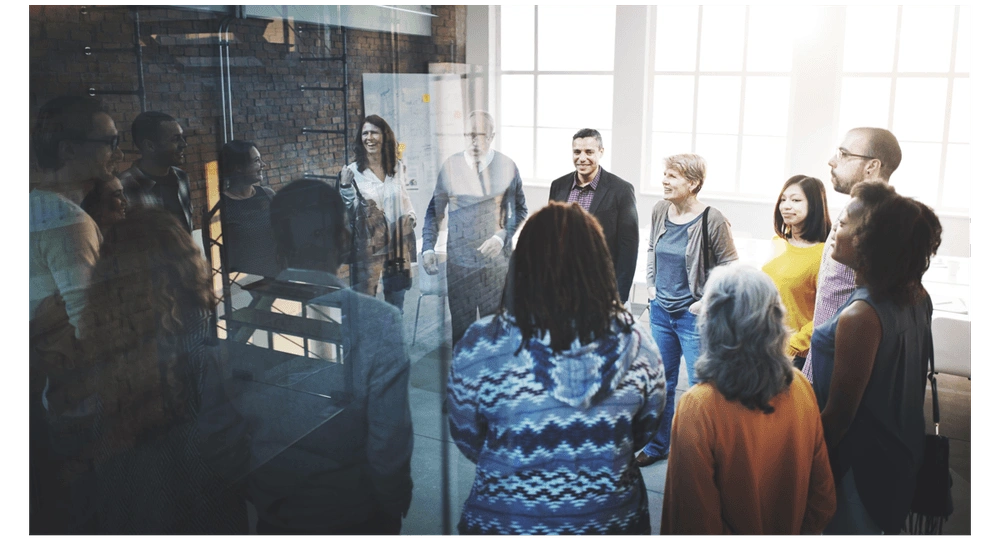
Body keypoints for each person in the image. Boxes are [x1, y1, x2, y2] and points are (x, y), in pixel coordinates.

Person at [447, 202, 666, 536]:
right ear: (599, 264)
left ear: (521, 264)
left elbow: (467, 436)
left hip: (507, 518)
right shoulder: (640, 346)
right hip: (609, 519)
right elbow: (644, 430)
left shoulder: (482, 345)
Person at [246, 179, 413, 535]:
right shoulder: (378, 321)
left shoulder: (244, 318)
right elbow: (389, 437)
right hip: (355, 513)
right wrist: (392, 500)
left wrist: (262, 492)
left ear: (278, 244)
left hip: (277, 512)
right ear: (343, 238)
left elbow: (221, 428)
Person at [80, 207, 250, 534]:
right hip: (202, 507)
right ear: (182, 260)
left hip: (127, 506)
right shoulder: (202, 332)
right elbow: (227, 441)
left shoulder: (97, 337)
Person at [661, 265, 836, 535]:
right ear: (776, 320)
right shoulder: (800, 386)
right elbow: (823, 498)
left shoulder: (699, 407)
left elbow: (694, 522)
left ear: (712, 324)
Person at [810, 182, 941, 535]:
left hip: (860, 463)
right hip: (899, 447)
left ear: (872, 240)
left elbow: (839, 416)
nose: (836, 228)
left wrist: (799, 461)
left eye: (845, 222)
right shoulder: (916, 294)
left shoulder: (861, 316)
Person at [28, 95, 123, 534]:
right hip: (73, 397)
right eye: (108, 141)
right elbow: (92, 324)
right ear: (68, 150)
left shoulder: (26, 206)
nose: (116, 153)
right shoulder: (67, 221)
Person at [636, 153, 738, 468]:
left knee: (700, 387)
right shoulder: (659, 210)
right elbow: (652, 247)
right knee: (661, 383)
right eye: (664, 174)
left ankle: (705, 452)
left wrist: (704, 300)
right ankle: (658, 446)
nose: (664, 181)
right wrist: (651, 285)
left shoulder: (712, 219)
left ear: (693, 183)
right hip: (660, 314)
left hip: (693, 317)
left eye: (672, 176)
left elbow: (731, 266)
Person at [802, 127, 901, 382]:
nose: (832, 160)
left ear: (872, 166)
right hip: (825, 356)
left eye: (844, 154)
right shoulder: (858, 209)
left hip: (840, 369)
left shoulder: (877, 219)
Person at [422, 110, 528, 344]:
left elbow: (521, 210)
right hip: (460, 266)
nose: (474, 141)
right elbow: (434, 211)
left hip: (496, 268)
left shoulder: (507, 166)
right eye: (469, 134)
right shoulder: (451, 167)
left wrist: (501, 237)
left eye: (481, 135)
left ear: (491, 137)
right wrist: (428, 247)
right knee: (462, 334)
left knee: (496, 335)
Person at [548, 128, 639, 304]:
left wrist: (619, 295)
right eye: (577, 152)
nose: (582, 158)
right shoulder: (558, 186)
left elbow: (629, 246)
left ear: (601, 152)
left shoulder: (621, 190)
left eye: (589, 152)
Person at [339, 115, 417, 312]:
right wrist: (345, 187)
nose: (369, 138)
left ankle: (393, 341)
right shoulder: (352, 172)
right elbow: (348, 214)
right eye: (365, 133)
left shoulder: (397, 167)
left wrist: (411, 216)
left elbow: (404, 198)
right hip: (368, 250)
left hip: (397, 246)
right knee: (367, 305)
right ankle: (371, 342)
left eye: (374, 132)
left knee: (396, 304)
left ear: (385, 137)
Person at [762, 175, 831, 369]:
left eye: (796, 200)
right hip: (764, 345)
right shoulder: (777, 243)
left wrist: (790, 346)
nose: (786, 206)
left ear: (815, 205)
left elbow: (825, 314)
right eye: (783, 199)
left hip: (796, 356)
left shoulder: (824, 255)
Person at [118, 111, 193, 231]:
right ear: (150, 146)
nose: (184, 144)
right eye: (175, 139)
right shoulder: (123, 187)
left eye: (182, 138)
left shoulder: (181, 178)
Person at [219, 140, 280, 278]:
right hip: (241, 288)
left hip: (275, 280)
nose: (263, 165)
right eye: (257, 161)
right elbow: (215, 260)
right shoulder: (219, 207)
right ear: (238, 167)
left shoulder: (268, 196)